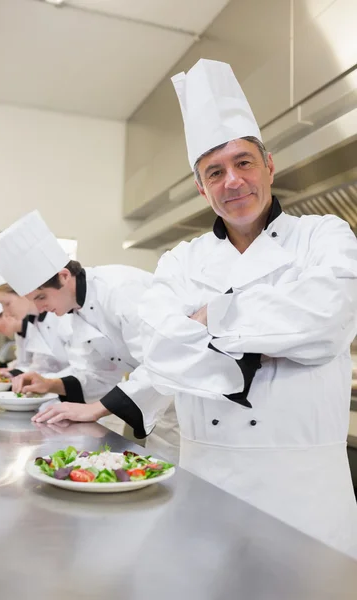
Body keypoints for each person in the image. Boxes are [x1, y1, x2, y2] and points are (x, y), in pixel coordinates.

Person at [120, 59, 357, 555]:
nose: (233, 181)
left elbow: (328, 321)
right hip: (207, 477)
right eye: (215, 171)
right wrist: (275, 339)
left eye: (243, 162)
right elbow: (160, 348)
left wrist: (213, 319)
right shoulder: (180, 260)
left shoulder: (324, 236)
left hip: (306, 493)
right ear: (201, 188)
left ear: (269, 166)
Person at [0, 211, 179, 461]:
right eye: (34, 301)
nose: (40, 309)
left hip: (187, 396)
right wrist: (50, 384)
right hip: (161, 402)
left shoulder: (120, 289)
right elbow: (97, 373)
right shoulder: (77, 311)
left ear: (64, 276)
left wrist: (95, 410)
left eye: (41, 297)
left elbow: (160, 360)